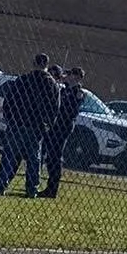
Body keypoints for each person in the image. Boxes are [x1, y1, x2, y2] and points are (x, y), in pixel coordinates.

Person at [0, 54, 59, 198]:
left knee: (9, 155)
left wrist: (9, 117)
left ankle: (0, 185)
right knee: (34, 159)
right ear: (46, 64)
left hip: (18, 122)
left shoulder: (23, 80)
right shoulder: (51, 84)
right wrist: (48, 125)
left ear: (33, 63)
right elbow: (54, 107)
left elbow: (9, 99)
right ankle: (32, 189)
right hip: (37, 126)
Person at [41, 64, 85, 198]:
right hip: (55, 125)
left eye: (71, 74)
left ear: (76, 77)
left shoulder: (78, 92)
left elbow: (71, 110)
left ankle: (52, 187)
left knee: (55, 155)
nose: (67, 77)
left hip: (64, 126)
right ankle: (49, 186)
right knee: (50, 155)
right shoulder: (64, 90)